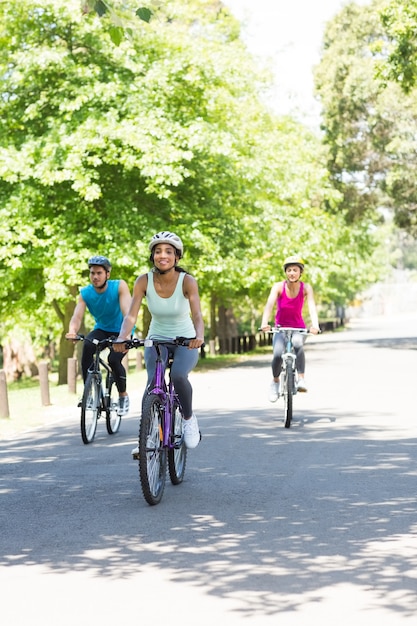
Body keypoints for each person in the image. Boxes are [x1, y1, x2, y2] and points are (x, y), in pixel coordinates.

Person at [113, 231, 205, 449]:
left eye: (168, 252)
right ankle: (149, 436)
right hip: (156, 340)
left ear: (177, 257)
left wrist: (199, 336)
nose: (162, 255)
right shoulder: (143, 281)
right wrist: (122, 337)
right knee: (151, 385)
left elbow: (198, 315)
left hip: (185, 341)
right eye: (158, 251)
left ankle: (189, 419)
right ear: (152, 256)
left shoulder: (187, 281)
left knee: (178, 375)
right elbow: (131, 315)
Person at [66, 255, 132, 415]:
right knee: (87, 346)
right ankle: (89, 393)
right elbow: (77, 316)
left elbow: (128, 313)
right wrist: (73, 331)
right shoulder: (85, 293)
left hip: (122, 329)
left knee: (114, 360)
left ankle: (123, 396)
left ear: (107, 274)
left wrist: (126, 336)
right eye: (92, 273)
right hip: (102, 329)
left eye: (99, 273)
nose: (95, 277)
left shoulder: (119, 286)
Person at [260, 255, 320, 401]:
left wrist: (315, 325)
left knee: (298, 344)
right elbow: (269, 306)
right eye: (289, 270)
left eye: (295, 270)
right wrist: (264, 323)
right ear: (285, 272)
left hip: (298, 327)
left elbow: (311, 307)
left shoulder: (306, 288)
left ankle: (301, 379)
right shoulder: (278, 287)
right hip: (280, 328)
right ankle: (275, 382)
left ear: (301, 272)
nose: (292, 273)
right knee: (277, 354)